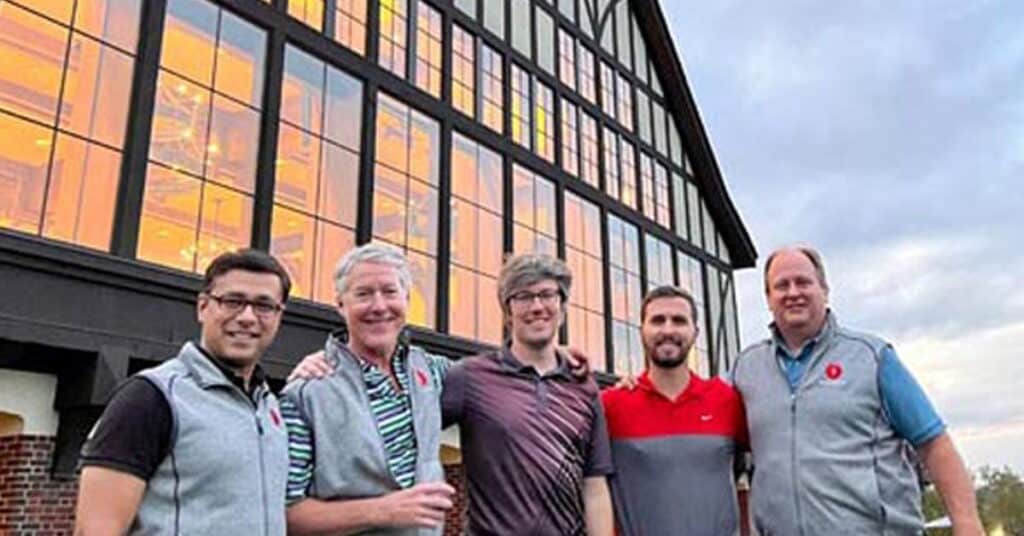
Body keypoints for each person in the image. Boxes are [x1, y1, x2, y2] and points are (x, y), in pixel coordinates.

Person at [731, 246, 983, 535]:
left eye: (803, 282)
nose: (793, 292)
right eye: (781, 285)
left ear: (824, 290)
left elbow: (934, 444)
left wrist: (967, 523)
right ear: (768, 298)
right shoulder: (746, 369)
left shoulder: (871, 357)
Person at [74, 249, 292, 535]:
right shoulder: (150, 397)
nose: (248, 317)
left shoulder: (269, 405)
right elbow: (95, 530)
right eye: (233, 301)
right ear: (203, 307)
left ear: (279, 316)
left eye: (264, 306)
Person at [280, 243, 455, 535]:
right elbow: (286, 513)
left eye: (389, 292)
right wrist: (384, 510)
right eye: (363, 294)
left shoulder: (432, 371)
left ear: (406, 299)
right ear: (340, 304)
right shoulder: (307, 393)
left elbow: (503, 373)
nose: (379, 306)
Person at [441, 254, 615, 536]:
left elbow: (594, 486)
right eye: (523, 296)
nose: (537, 306)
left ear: (562, 307)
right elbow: (415, 437)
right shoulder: (469, 377)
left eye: (547, 294)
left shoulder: (585, 386)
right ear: (508, 311)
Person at [602, 285, 749, 536]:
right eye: (658, 321)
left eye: (679, 321)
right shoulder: (609, 405)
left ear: (695, 332)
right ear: (642, 331)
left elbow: (755, 474)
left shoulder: (727, 399)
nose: (668, 330)